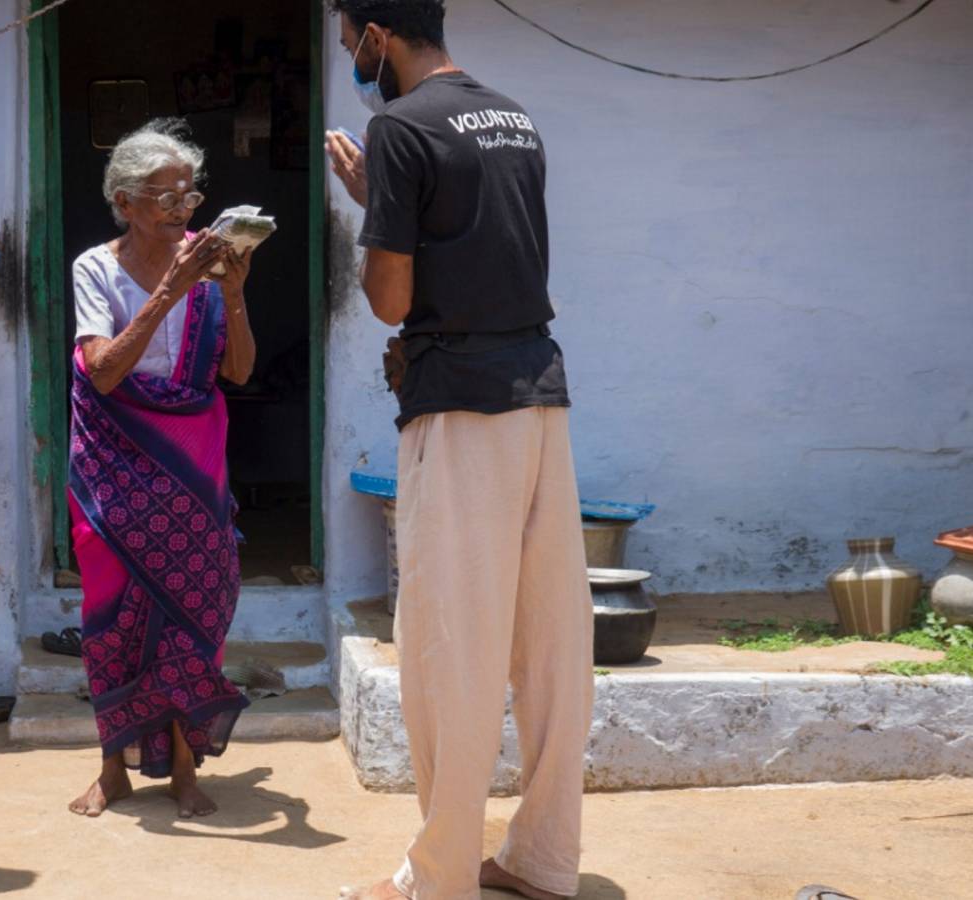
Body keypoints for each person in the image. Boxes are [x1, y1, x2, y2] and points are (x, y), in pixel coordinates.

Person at [325, 1, 594, 898]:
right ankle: (547, 860)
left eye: (347, 44)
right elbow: (479, 244)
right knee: (552, 641)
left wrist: (374, 218)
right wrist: (387, 202)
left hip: (459, 406)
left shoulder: (397, 127)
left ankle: (438, 877)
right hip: (538, 397)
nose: (352, 62)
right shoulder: (512, 114)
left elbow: (392, 300)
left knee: (450, 642)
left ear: (375, 36)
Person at [66, 119, 258, 820]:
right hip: (113, 472)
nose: (183, 209)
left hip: (194, 466)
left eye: (189, 194)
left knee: (196, 609)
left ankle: (182, 765)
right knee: (111, 618)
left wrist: (230, 291)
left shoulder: (207, 265)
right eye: (164, 197)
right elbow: (105, 372)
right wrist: (171, 291)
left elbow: (236, 370)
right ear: (124, 202)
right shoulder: (96, 268)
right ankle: (112, 767)